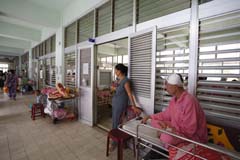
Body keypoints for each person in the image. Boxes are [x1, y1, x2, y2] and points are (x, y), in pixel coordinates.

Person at [142, 73, 208, 148]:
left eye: (167, 85)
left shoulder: (189, 101)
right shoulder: (174, 99)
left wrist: (168, 129)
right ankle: (162, 134)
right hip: (177, 129)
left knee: (166, 138)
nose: (165, 88)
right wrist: (150, 116)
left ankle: (162, 137)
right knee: (154, 122)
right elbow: (166, 114)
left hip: (192, 137)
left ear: (175, 87)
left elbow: (190, 130)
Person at [110, 63, 142, 150]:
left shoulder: (126, 81)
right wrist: (113, 89)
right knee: (114, 121)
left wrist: (134, 106)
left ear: (120, 71)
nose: (115, 71)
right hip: (115, 103)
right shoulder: (118, 80)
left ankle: (116, 142)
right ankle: (118, 140)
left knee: (118, 121)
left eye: (116, 70)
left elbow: (129, 94)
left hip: (120, 104)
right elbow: (115, 91)